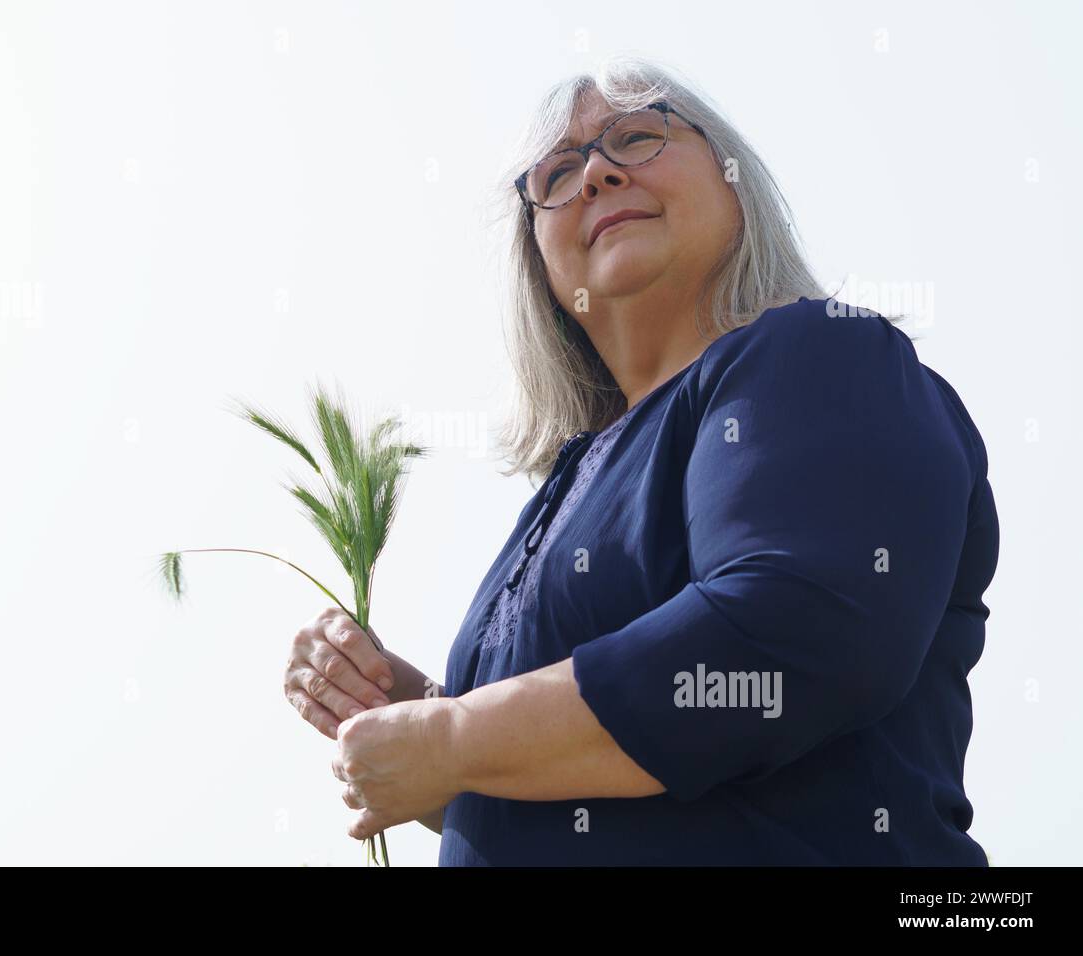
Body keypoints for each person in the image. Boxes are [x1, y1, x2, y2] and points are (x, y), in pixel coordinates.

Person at [282, 55, 998, 865]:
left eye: (635, 135)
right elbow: (552, 784)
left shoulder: (818, 353)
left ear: (733, 178)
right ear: (538, 260)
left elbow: (793, 636)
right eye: (555, 173)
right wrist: (394, 703)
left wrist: (452, 735)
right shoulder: (564, 489)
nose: (594, 175)